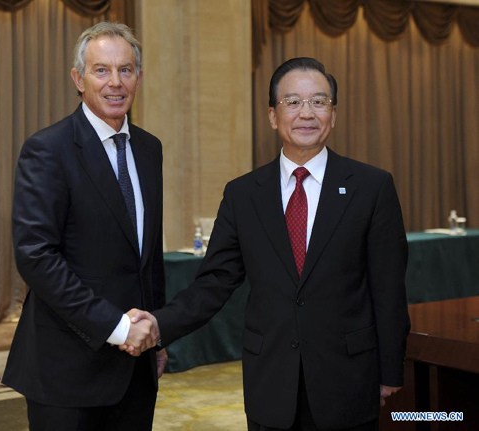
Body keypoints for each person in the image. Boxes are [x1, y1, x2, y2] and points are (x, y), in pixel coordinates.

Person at [134, 57, 411, 430]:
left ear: (333, 114)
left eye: (319, 101)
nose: (306, 114)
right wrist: (158, 325)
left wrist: (390, 370)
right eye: (293, 102)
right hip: (271, 383)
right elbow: (213, 282)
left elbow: (388, 287)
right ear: (272, 115)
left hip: (348, 380)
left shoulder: (371, 187)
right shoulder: (243, 194)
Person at [3, 22, 167, 431]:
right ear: (78, 79)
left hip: (135, 370)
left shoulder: (149, 149)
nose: (116, 82)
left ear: (139, 78)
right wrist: (117, 327)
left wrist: (157, 336)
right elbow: (36, 257)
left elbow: (148, 257)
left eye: (126, 70)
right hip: (67, 371)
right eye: (101, 70)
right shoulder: (48, 149)